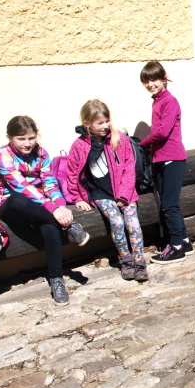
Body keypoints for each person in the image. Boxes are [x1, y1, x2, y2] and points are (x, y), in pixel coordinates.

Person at [0, 116, 90, 305]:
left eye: (31, 138)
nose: (27, 143)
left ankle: (56, 278)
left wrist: (60, 205)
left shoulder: (41, 154)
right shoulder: (3, 155)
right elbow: (21, 186)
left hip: (40, 207)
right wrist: (54, 210)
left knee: (49, 225)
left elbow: (50, 183)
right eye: (21, 139)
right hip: (12, 205)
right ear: (9, 138)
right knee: (19, 199)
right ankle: (70, 226)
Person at [66, 100, 148, 282]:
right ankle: (126, 260)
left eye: (106, 121)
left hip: (124, 191)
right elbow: (72, 172)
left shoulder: (119, 138)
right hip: (101, 193)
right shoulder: (79, 145)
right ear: (87, 124)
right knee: (116, 222)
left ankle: (140, 262)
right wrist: (77, 197)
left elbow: (129, 167)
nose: (105, 126)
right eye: (100, 123)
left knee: (133, 223)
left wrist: (125, 194)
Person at [138, 61, 193, 264]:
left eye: (154, 79)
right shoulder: (157, 101)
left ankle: (176, 246)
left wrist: (141, 145)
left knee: (169, 205)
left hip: (172, 158)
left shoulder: (169, 101)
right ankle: (184, 240)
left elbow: (162, 132)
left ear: (163, 79)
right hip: (160, 158)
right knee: (168, 204)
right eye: (146, 81)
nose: (150, 84)